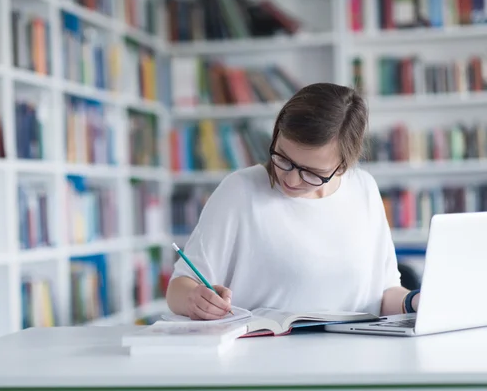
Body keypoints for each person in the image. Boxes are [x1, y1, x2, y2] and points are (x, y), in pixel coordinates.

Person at [166, 82, 421, 320]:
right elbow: (178, 288)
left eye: (311, 173)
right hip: (264, 360)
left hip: (357, 357)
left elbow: (385, 293)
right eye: (283, 158)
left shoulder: (364, 188)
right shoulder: (240, 192)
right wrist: (193, 298)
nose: (291, 178)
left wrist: (415, 301)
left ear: (343, 165)